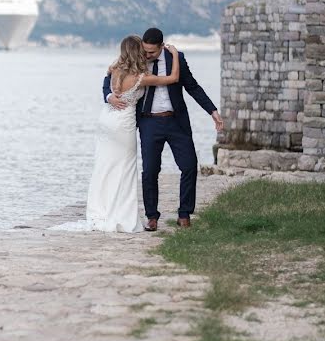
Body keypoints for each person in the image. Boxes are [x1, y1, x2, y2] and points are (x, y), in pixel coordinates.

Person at [104, 28, 222, 231]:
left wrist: (212, 110)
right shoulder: (136, 57)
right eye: (145, 51)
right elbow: (109, 76)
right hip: (149, 122)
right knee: (150, 170)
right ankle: (152, 217)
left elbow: (192, 86)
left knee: (189, 166)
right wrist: (109, 96)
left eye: (151, 52)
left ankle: (184, 214)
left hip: (176, 121)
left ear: (161, 46)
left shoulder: (176, 58)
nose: (147, 55)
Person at [82, 36, 181, 232]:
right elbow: (173, 78)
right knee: (125, 169)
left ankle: (99, 210)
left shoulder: (115, 69)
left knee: (105, 166)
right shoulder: (141, 77)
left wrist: (110, 96)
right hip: (123, 124)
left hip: (106, 121)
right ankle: (121, 214)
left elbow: (107, 82)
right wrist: (175, 55)